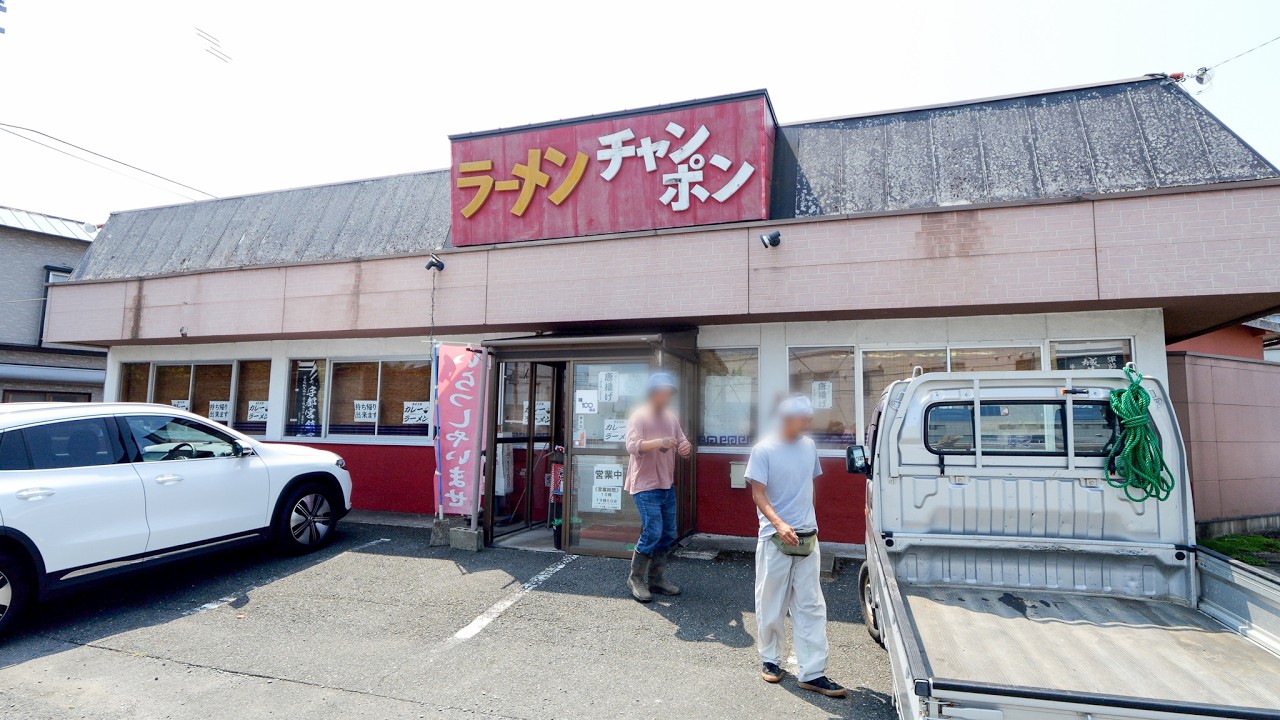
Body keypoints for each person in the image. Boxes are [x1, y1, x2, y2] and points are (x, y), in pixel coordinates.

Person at [747, 395, 846, 698]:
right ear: (785, 418)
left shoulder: (808, 446)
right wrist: (779, 524)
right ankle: (770, 660)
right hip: (774, 538)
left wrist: (811, 523)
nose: (807, 422)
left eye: (808, 417)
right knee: (771, 601)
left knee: (811, 604)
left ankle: (812, 672)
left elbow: (808, 485)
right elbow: (758, 494)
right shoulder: (763, 449)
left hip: (807, 536)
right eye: (802, 417)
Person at [623, 372, 692, 603]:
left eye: (669, 392)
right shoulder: (639, 416)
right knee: (652, 531)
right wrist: (660, 442)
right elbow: (632, 446)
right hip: (644, 484)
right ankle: (636, 578)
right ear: (652, 393)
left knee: (668, 533)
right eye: (663, 391)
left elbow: (682, 440)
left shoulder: (671, 417)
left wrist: (685, 447)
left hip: (666, 484)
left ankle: (656, 579)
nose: (667, 396)